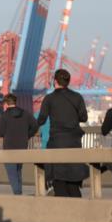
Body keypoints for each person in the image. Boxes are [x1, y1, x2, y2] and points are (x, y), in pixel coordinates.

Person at [37, 68, 89, 197]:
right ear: (68, 81)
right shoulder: (77, 97)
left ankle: (65, 213)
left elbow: (41, 120)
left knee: (59, 182)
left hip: (57, 142)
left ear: (55, 81)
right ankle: (79, 212)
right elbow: (84, 118)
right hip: (74, 143)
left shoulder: (49, 99)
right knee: (73, 182)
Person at [0, 93, 38, 195]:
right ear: (15, 102)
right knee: (18, 170)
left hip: (9, 147)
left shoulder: (4, 115)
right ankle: (19, 192)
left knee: (11, 172)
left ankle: (17, 193)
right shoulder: (26, 113)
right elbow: (35, 126)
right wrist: (27, 135)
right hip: (22, 145)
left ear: (6, 103)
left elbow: (0, 132)